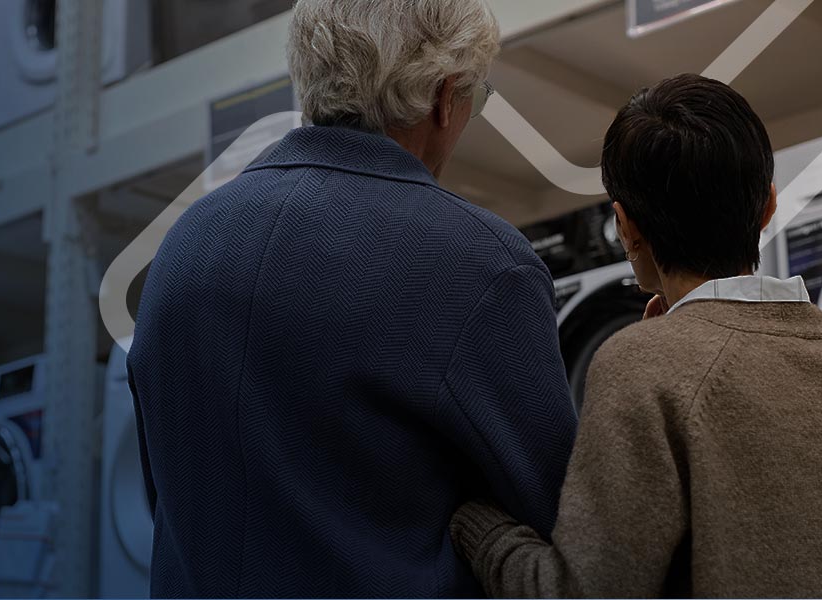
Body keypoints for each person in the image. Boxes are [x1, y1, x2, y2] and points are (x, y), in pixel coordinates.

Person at [128, 0, 577, 596]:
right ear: (444, 97)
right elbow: (564, 526)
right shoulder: (479, 263)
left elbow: (163, 494)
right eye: (477, 94)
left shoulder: (182, 249)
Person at [450, 74, 822, 598]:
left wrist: (478, 525)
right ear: (768, 205)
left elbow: (578, 593)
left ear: (625, 228)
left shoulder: (642, 366)